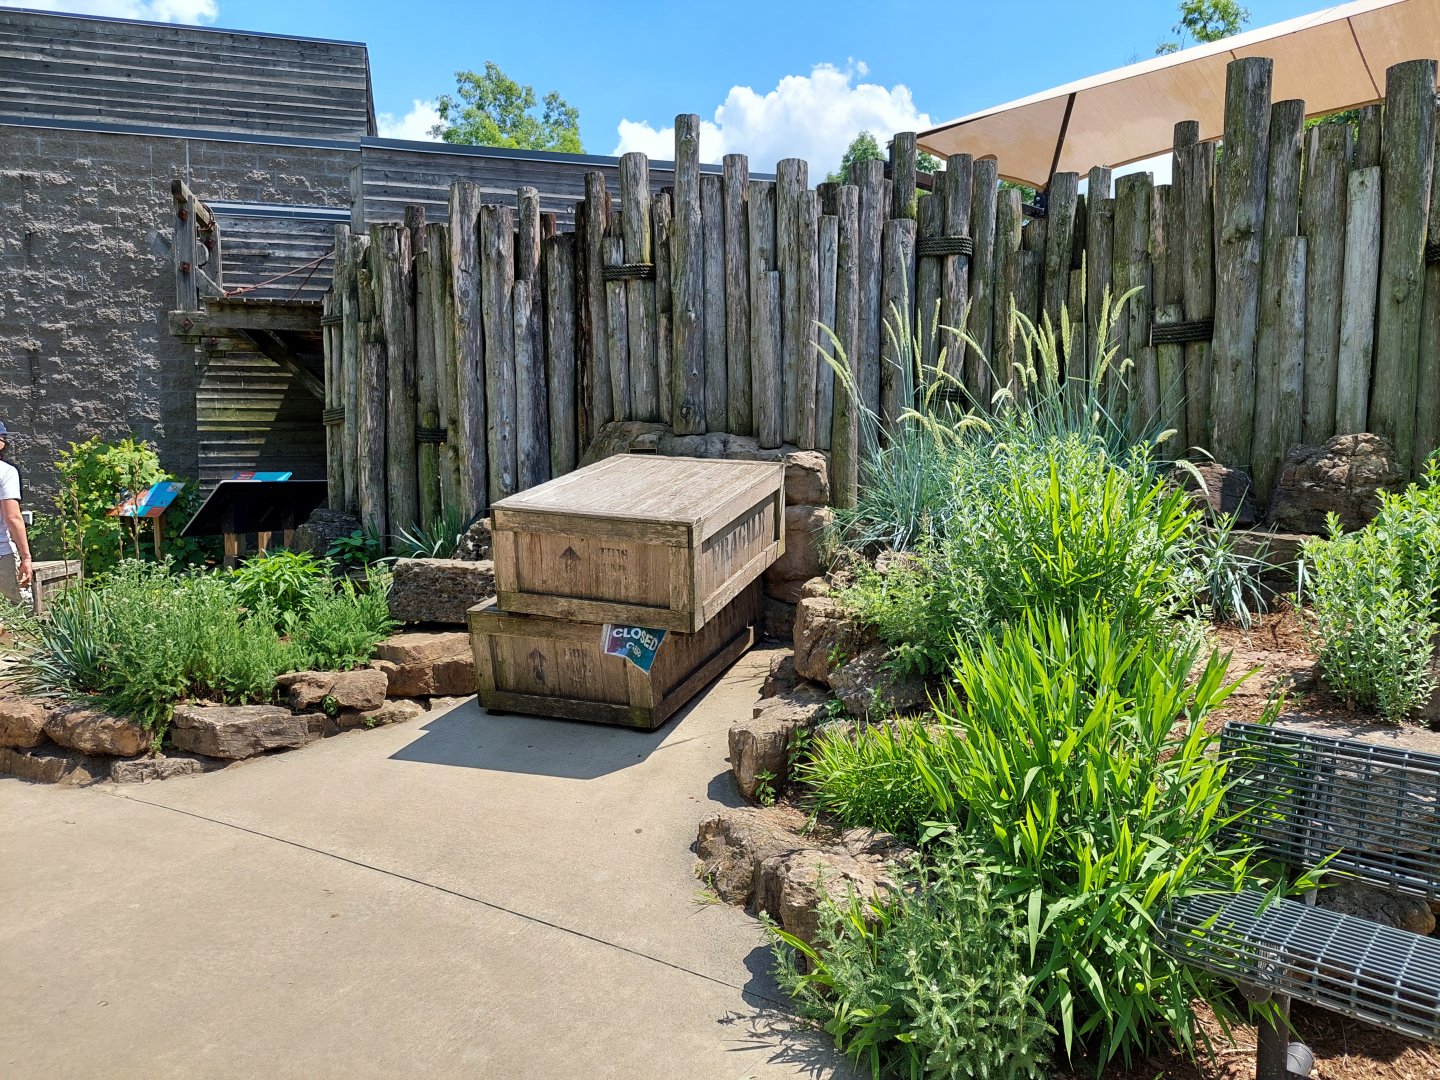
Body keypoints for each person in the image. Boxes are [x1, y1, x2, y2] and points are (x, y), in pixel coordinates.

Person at [0, 422, 33, 605]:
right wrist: (26, 557)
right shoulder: (5, 472)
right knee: (19, 616)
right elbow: (12, 518)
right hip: (1, 555)